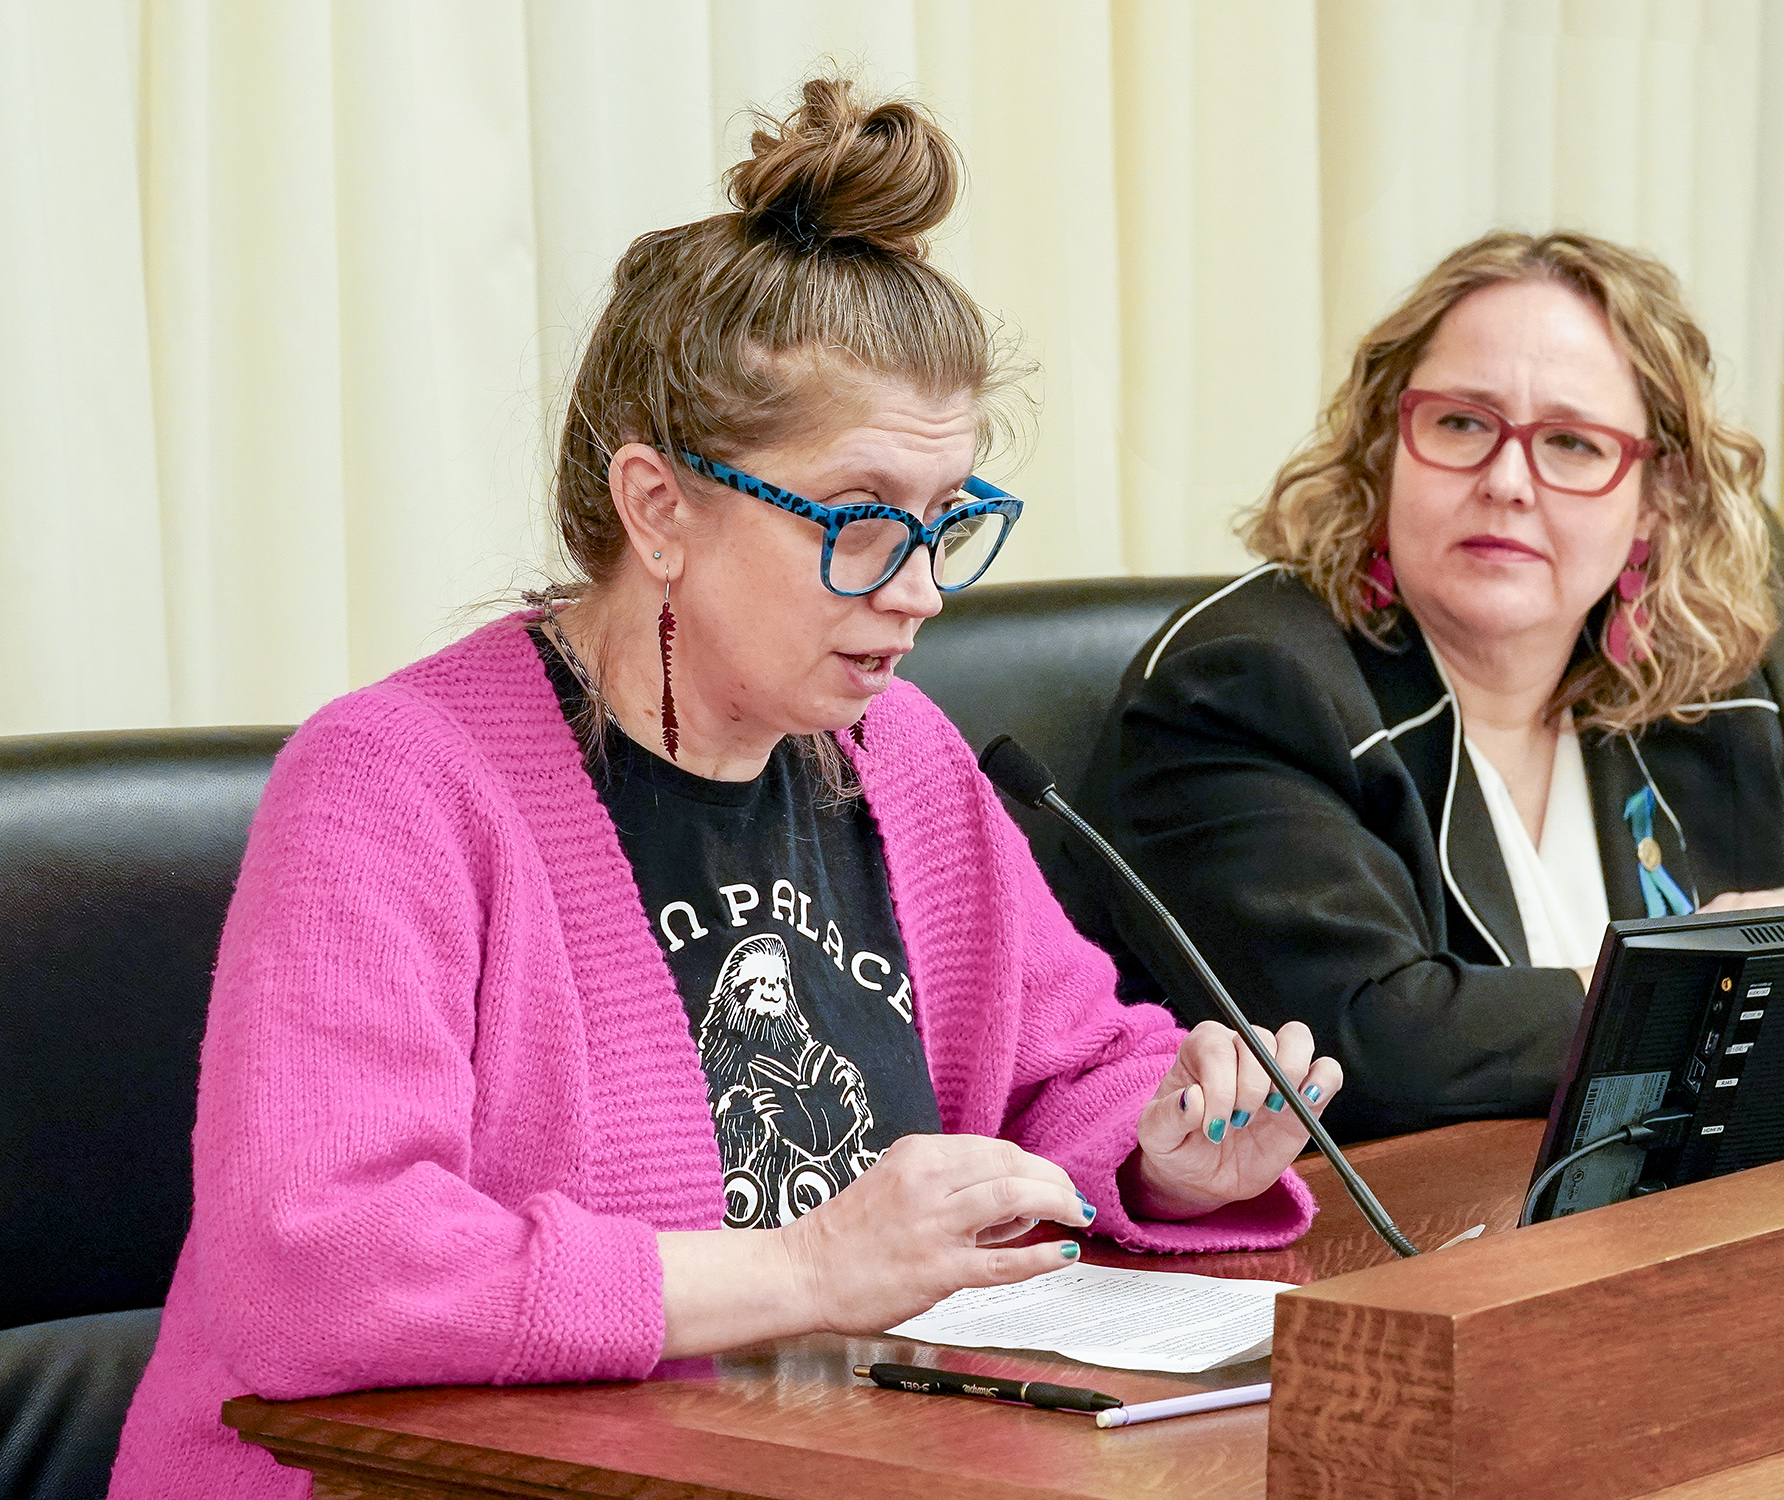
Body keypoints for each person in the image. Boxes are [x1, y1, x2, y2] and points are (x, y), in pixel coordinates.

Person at [110, 79, 1340, 1496]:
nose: (922, 590)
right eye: (864, 522)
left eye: (948, 522)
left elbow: (1071, 1068)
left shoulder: (904, 756)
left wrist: (1168, 1153)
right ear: (658, 507)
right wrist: (808, 1270)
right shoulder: (394, 787)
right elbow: (319, 1265)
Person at [1074, 230, 1784, 1147]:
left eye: (1571, 442)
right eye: (1461, 423)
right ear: (1385, 444)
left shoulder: (1696, 696)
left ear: (1656, 498)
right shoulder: (1251, 685)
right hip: (1383, 1239)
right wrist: (1714, 985)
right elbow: (1370, 1042)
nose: (1508, 481)